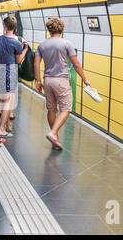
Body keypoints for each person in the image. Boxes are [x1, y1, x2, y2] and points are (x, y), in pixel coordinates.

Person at [34, 17, 90, 150]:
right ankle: (53, 133)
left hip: (47, 80)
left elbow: (36, 63)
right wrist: (85, 79)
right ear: (61, 29)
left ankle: (55, 139)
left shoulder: (42, 45)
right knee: (66, 109)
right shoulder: (66, 44)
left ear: (49, 29)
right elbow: (76, 64)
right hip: (61, 80)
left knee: (51, 109)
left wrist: (38, 81)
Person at [0, 16, 28, 138]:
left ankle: (7, 126)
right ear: (15, 28)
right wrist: (25, 49)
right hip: (10, 72)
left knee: (3, 101)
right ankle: (1, 129)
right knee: (7, 102)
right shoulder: (17, 43)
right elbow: (18, 60)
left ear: (4, 26)